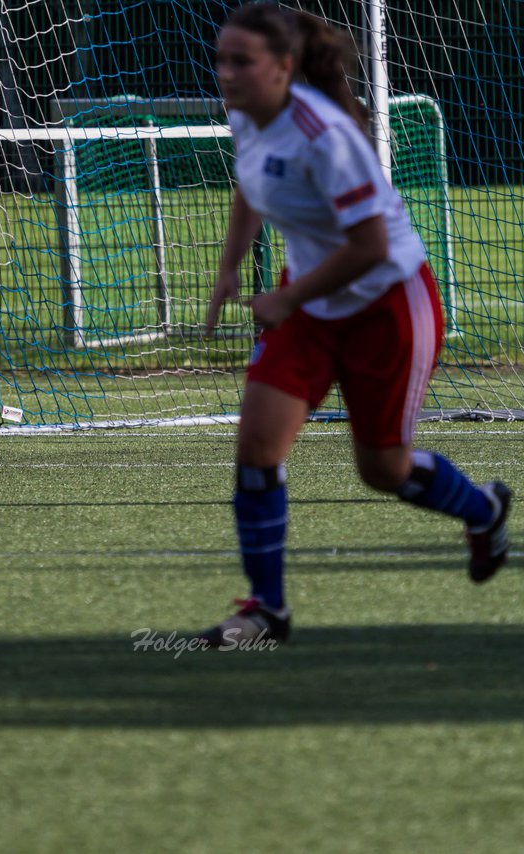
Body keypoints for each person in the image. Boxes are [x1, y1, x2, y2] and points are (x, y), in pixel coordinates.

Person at [200, 3, 511, 645]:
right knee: (257, 448)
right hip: (310, 306)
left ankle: (483, 509)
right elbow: (251, 185)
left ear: (284, 68)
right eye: (222, 59)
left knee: (384, 471)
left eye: (242, 60)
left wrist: (287, 301)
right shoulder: (248, 116)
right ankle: (267, 611)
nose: (227, 73)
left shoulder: (326, 136)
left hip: (389, 306)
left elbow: (370, 247)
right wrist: (231, 265)